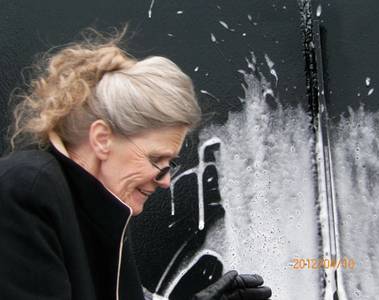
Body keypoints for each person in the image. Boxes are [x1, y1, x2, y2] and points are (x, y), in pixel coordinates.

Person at [0, 28, 272, 300]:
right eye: (156, 159)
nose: (166, 180)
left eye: (170, 162)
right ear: (102, 139)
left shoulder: (101, 210)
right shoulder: (27, 190)